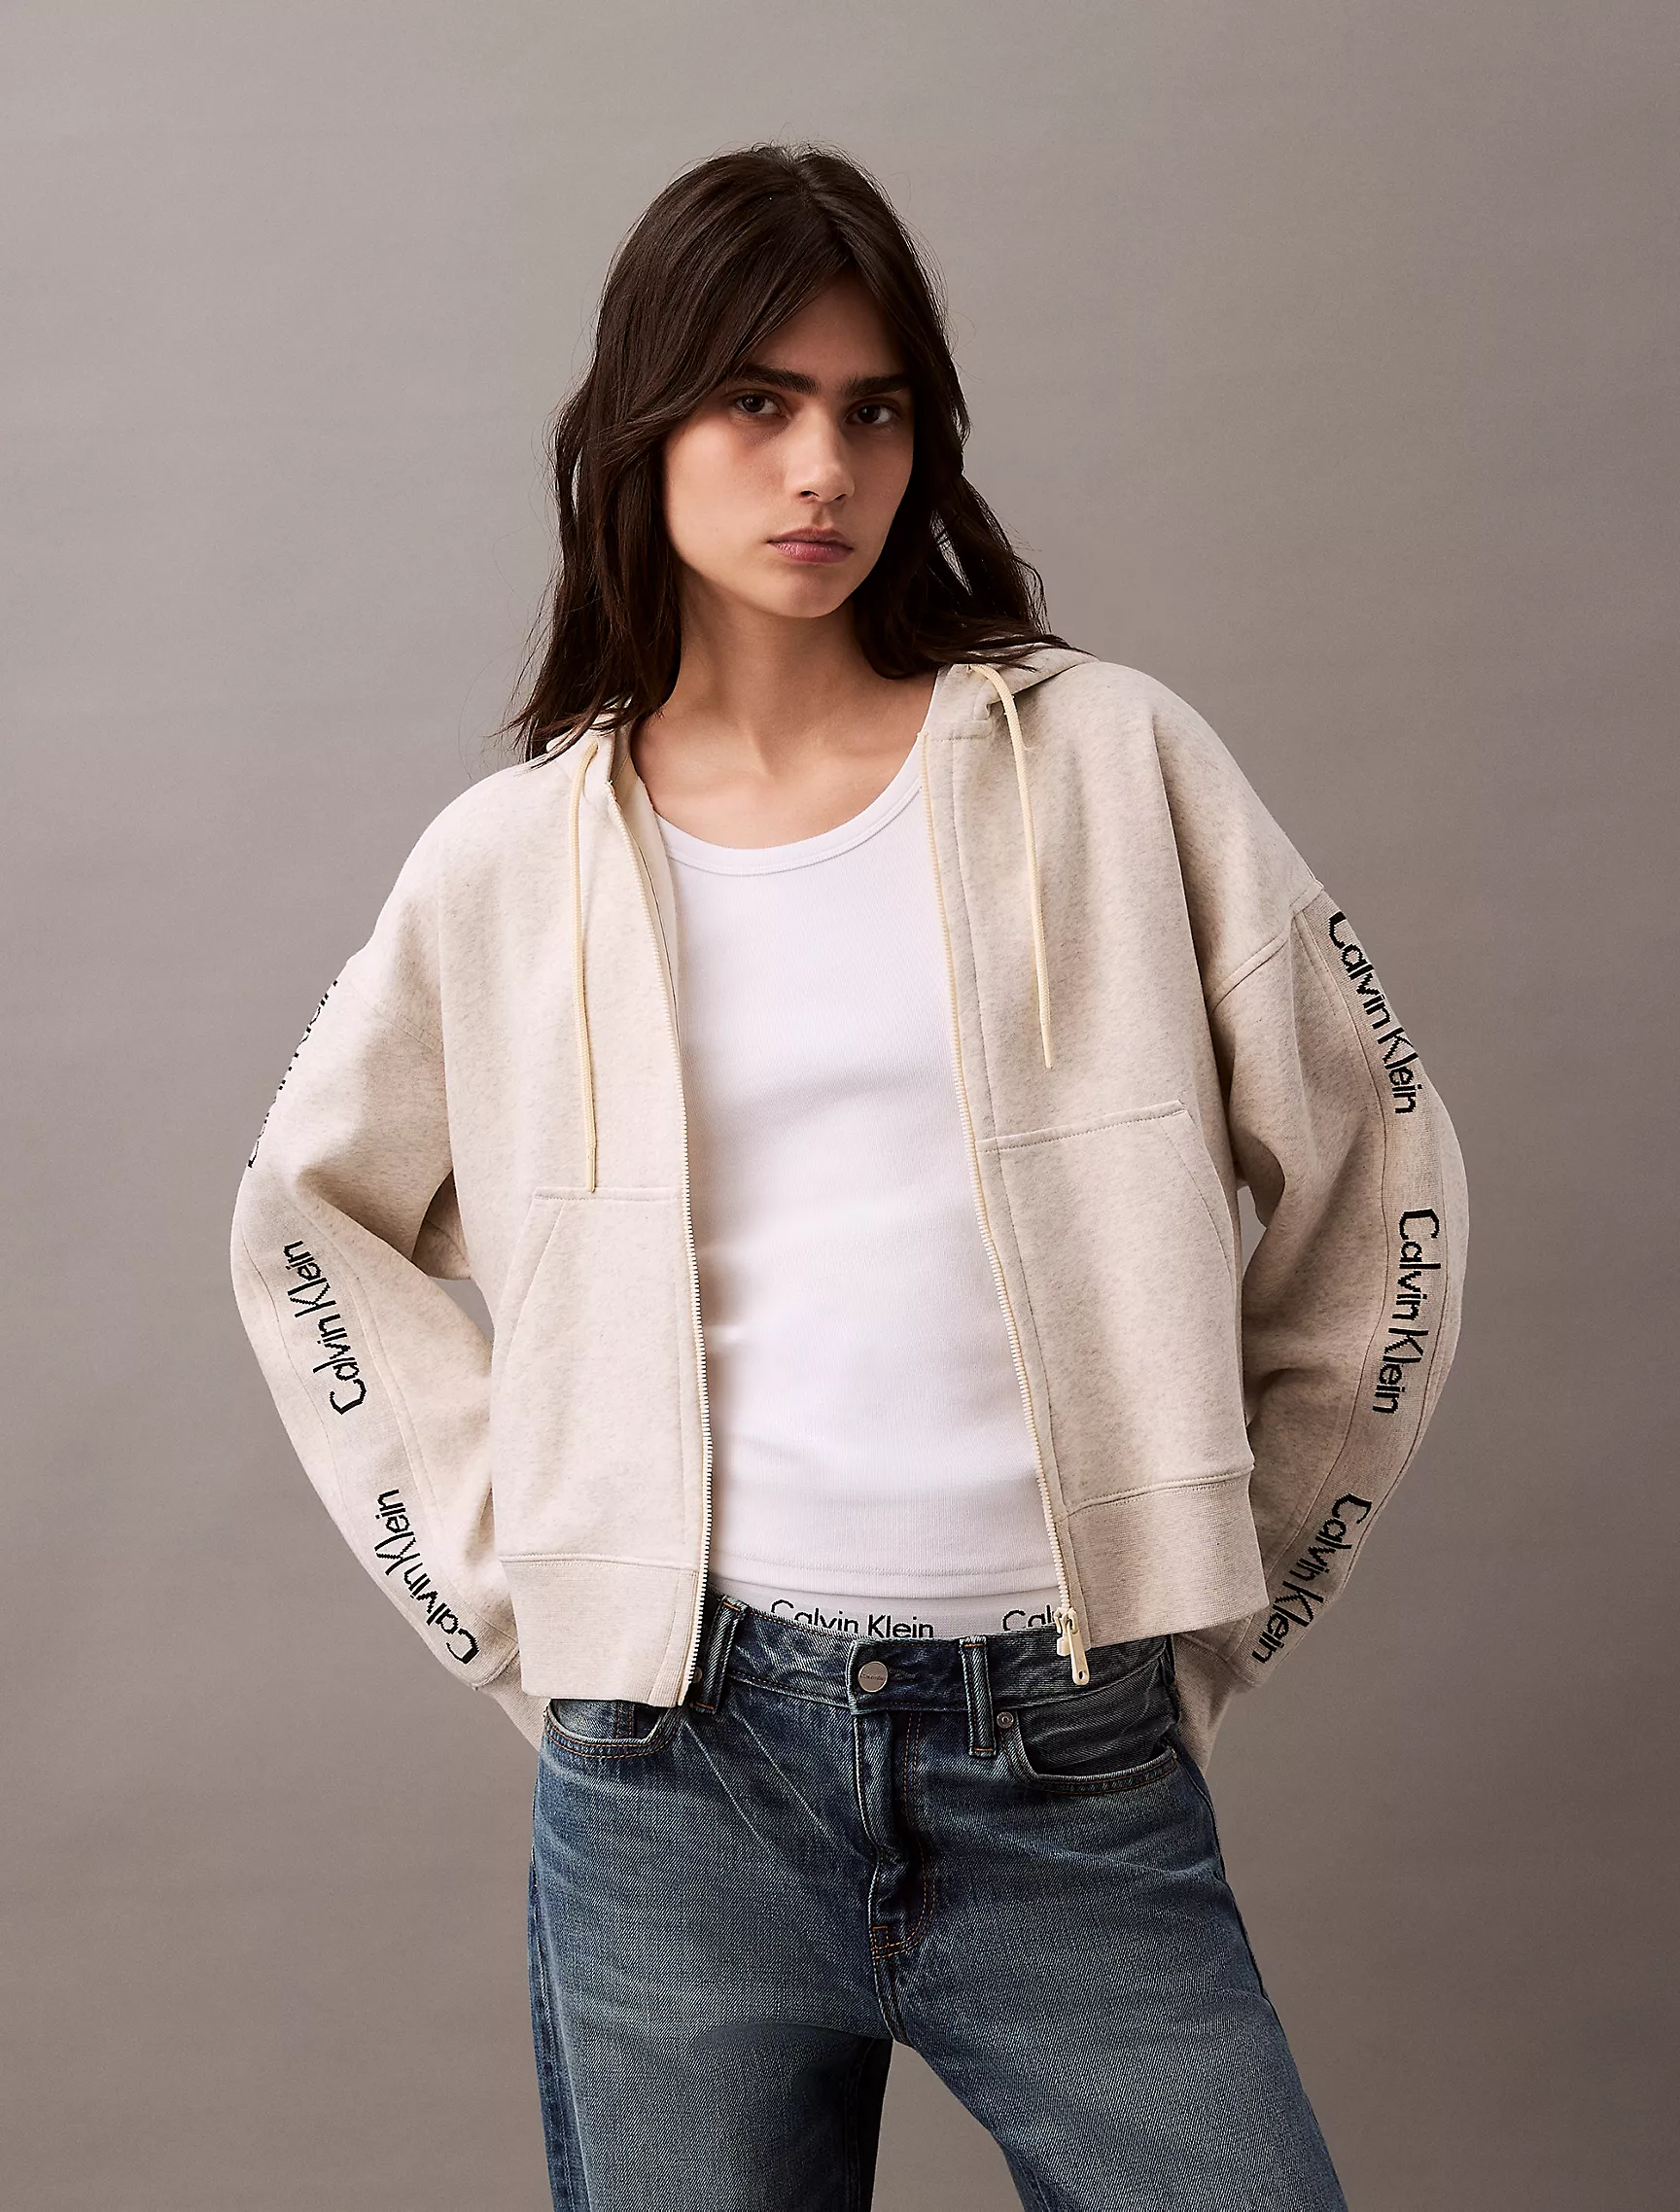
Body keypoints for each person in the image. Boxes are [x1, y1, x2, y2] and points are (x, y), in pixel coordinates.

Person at [229, 141, 1466, 2212]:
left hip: (1066, 1759)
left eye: (872, 409)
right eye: (759, 401)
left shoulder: (1113, 765)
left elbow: (1387, 1168)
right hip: (675, 1780)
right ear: (644, 428)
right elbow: (307, 1219)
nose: (824, 468)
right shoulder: (513, 861)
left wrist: (1227, 1575)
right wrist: (526, 1604)